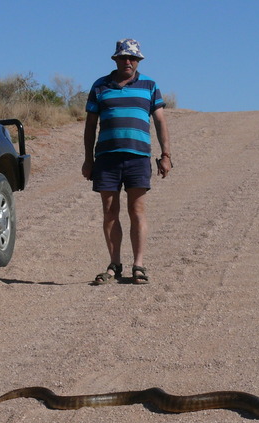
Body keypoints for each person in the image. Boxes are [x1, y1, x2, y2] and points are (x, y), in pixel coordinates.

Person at [81, 38, 172, 285]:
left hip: (138, 157)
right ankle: (114, 264)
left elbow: (160, 121)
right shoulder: (100, 86)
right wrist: (88, 159)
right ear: (116, 59)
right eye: (124, 57)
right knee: (110, 213)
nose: (128, 62)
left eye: (133, 58)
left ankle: (139, 264)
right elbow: (90, 125)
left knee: (137, 211)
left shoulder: (149, 86)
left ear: (138, 60)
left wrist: (166, 155)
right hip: (107, 159)